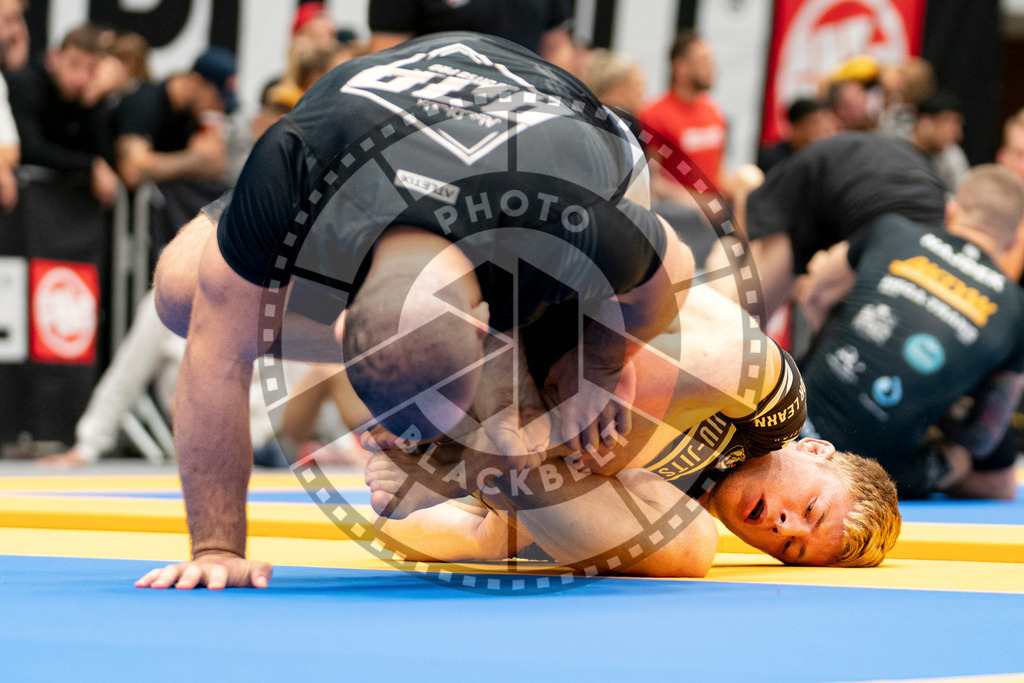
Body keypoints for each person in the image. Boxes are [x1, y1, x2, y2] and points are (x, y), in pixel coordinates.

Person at [138, 31, 690, 589]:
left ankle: (481, 425)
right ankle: (466, 406)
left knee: (554, 402)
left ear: (482, 325)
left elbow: (678, 271)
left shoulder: (567, 219)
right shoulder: (292, 166)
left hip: (566, 133)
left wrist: (595, 360)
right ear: (342, 320)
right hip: (361, 134)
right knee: (185, 292)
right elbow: (215, 348)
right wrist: (217, 547)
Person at [362, 281, 901, 576]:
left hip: (476, 385)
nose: (784, 526)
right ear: (817, 449)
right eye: (810, 510)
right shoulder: (775, 412)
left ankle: (480, 453)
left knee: (688, 549)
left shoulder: (667, 510)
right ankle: (491, 437)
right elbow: (691, 356)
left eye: (788, 549)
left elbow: (412, 528)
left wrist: (452, 493)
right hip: (546, 303)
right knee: (729, 369)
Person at [796, 165, 1024, 500]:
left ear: (951, 210)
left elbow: (814, 293)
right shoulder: (1016, 309)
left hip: (790, 426)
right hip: (873, 473)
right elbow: (981, 438)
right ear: (1015, 240)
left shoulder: (891, 230)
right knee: (972, 468)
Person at [706, 132, 948, 323]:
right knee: (742, 319)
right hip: (816, 181)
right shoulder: (893, 240)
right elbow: (816, 297)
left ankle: (752, 198)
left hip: (863, 174)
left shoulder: (932, 233)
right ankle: (734, 227)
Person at [6, 23, 119, 208]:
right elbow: (30, 149)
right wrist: (89, 164)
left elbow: (106, 160)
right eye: (74, 64)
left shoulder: (89, 100)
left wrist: (92, 106)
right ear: (54, 57)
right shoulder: (25, 83)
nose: (81, 78)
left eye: (91, 70)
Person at [112, 46, 236, 192]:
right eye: (216, 98)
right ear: (195, 82)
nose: (219, 107)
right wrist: (195, 158)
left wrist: (210, 156)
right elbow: (133, 171)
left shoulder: (194, 116)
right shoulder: (144, 103)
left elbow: (216, 167)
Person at [637, 30, 727, 201]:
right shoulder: (653, 115)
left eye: (712, 61)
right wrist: (697, 203)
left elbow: (719, 172)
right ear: (681, 66)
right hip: (679, 215)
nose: (711, 68)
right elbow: (651, 181)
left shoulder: (713, 110)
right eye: (704, 61)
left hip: (713, 213)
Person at [367, 0, 576, 73]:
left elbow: (557, 46)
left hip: (525, 111)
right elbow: (385, 56)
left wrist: (565, 108)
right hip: (436, 114)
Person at [756, 98, 837, 175]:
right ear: (796, 127)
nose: (822, 132)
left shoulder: (825, 163)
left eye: (827, 126)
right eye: (815, 124)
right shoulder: (771, 160)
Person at [911, 91, 967, 194]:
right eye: (948, 123)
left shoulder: (952, 154)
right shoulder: (897, 147)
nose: (958, 135)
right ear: (924, 122)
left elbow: (963, 195)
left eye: (958, 125)